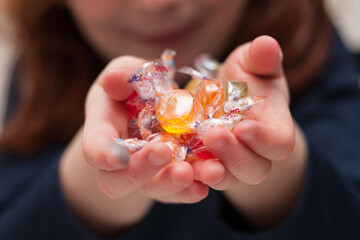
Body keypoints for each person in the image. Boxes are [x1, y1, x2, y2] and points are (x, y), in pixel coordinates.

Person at [0, 0, 359, 239]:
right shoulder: (44, 71)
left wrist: (274, 164)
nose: (156, 4)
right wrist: (92, 179)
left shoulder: (319, 53)